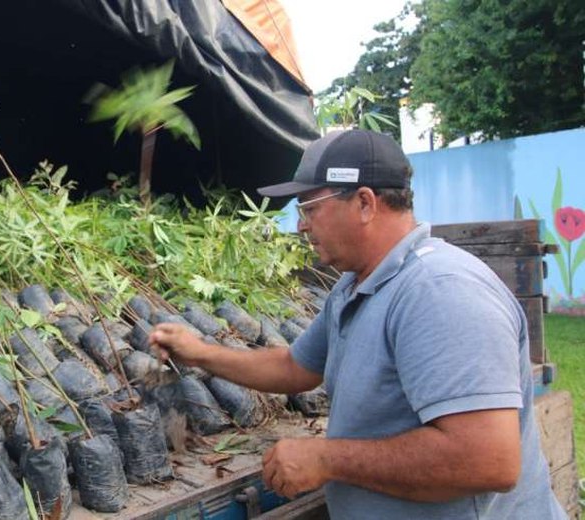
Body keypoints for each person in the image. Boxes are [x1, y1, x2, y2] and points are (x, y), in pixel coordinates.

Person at [148, 129, 565, 518]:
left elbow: (486, 459)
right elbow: (295, 368)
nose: (301, 225)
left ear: (365, 202)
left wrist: (327, 458)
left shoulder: (439, 292)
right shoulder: (355, 287)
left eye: (310, 208)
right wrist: (200, 352)